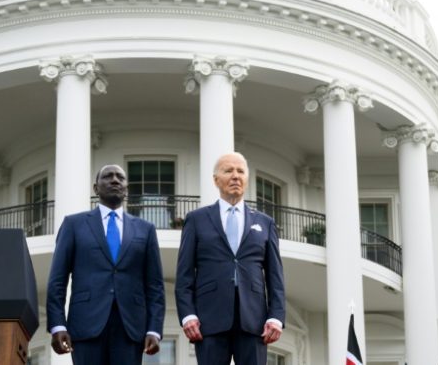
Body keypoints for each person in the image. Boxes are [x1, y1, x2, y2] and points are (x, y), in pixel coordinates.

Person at [46, 164, 165, 365]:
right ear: (96, 188)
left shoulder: (145, 230)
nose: (115, 180)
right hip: (85, 325)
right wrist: (58, 325)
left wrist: (154, 329)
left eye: (120, 177)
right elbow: (57, 280)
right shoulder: (74, 225)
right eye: (108, 176)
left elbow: (155, 286)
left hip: (130, 328)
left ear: (126, 188)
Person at [175, 152, 285, 365]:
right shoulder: (196, 220)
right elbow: (184, 274)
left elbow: (275, 277)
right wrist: (188, 315)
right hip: (209, 321)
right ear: (216, 180)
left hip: (255, 322)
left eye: (240, 171)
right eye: (228, 171)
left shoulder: (265, 222)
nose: (235, 176)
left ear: (246, 179)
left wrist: (276, 317)